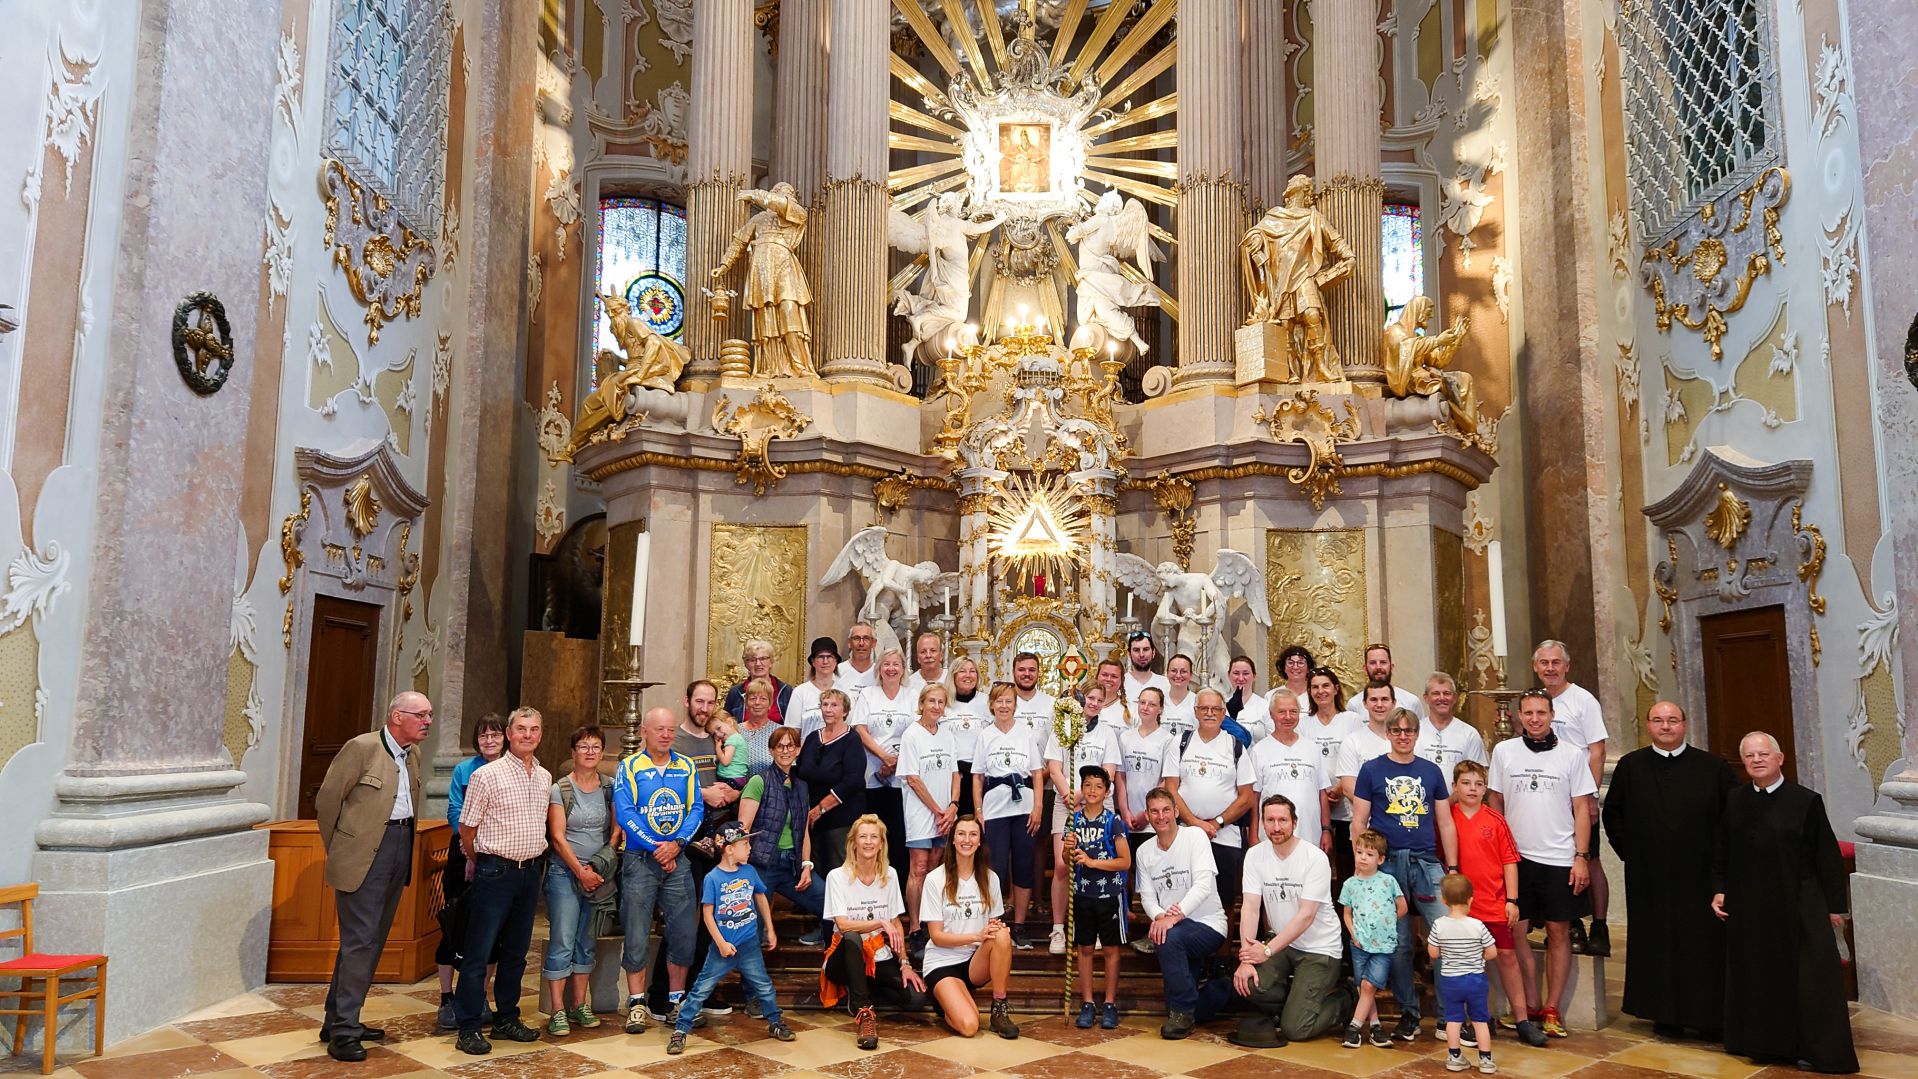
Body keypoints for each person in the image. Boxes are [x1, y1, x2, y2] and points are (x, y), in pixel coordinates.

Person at [1713, 732, 1857, 1073]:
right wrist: (1719, 889)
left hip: (1799, 903)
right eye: (1750, 756)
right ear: (1743, 762)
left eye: (1763, 754)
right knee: (1759, 975)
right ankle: (1764, 1045)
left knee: (1809, 979)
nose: (1757, 760)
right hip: (1751, 906)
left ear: (1780, 759)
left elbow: (1826, 856)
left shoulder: (1805, 801)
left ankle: (1814, 1050)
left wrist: (1834, 907)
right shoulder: (1734, 800)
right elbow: (1722, 850)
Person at [1602, 701, 1737, 1038]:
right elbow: (1613, 814)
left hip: (1700, 877)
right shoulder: (1631, 766)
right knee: (1656, 941)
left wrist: (1720, 866)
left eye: (1673, 720)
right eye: (1659, 720)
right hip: (1649, 876)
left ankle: (1707, 1016)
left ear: (1684, 725)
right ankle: (1662, 1013)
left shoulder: (1713, 768)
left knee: (1702, 944)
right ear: (1648, 725)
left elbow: (1732, 818)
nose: (1666, 726)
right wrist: (1633, 854)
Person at [315, 692, 432, 1062]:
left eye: (429, 715)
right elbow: (327, 802)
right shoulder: (362, 747)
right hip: (363, 854)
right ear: (397, 716)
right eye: (421, 715)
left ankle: (337, 1018)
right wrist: (342, 849)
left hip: (399, 847)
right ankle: (344, 1031)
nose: (428, 721)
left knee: (371, 940)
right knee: (360, 941)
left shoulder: (413, 754)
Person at [1487, 690, 1595, 1039]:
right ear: (1519, 715)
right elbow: (1495, 802)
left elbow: (1581, 808)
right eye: (1529, 713)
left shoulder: (1571, 754)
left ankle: (1552, 1007)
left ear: (1552, 715)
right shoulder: (1504, 752)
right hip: (1516, 858)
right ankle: (1530, 1002)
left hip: (1559, 857)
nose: (1535, 719)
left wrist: (1581, 856)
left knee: (1557, 932)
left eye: (1541, 713)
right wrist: (1497, 851)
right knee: (1516, 931)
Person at [1350, 705, 1458, 1041]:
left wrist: (1453, 867)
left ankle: (1448, 1017)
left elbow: (1445, 821)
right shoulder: (1371, 770)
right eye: (1396, 730)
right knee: (1396, 944)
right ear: (1388, 733)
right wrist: (1361, 866)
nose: (1402, 736)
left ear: (1417, 734)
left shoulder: (1431, 771)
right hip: (1387, 865)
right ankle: (1409, 1015)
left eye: (1408, 730)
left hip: (1426, 862)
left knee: (1446, 935)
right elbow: (1359, 821)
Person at [1215, 795, 1351, 1047]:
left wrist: (1267, 950)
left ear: (1294, 822)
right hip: (1282, 943)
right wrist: (1246, 958)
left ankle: (1347, 999)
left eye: (1282, 820)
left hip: (1319, 949)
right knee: (1246, 983)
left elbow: (1306, 915)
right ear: (1262, 823)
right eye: (1270, 820)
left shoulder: (1314, 858)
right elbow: (1250, 907)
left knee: (1295, 1029)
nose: (1276, 827)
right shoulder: (1255, 855)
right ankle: (1297, 1004)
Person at [452, 706, 550, 1056]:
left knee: (516, 952)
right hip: (495, 870)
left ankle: (507, 1017)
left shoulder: (544, 776)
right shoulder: (487, 775)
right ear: (509, 734)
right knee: (479, 952)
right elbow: (467, 828)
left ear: (540, 734)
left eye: (534, 729)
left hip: (530, 872)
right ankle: (468, 1026)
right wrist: (481, 860)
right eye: (521, 729)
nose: (527, 735)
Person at [665, 822, 797, 1054]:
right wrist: (721, 943)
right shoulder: (713, 878)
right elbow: (707, 914)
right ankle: (680, 1030)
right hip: (722, 948)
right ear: (729, 849)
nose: (750, 848)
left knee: (764, 986)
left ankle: (775, 1022)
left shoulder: (750, 872)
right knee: (701, 990)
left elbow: (761, 897)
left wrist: (770, 928)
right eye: (745, 843)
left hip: (749, 945)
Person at [612, 707, 705, 1035]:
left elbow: (696, 809)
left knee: (684, 932)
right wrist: (657, 847)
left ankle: (676, 1001)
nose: (666, 735)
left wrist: (677, 844)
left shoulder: (686, 766)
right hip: (640, 860)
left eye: (670, 729)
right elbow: (626, 814)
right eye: (659, 729)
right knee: (637, 931)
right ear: (645, 732)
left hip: (677, 859)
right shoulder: (629, 767)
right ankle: (637, 1003)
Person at [1451, 760, 1548, 1047]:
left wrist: (1512, 900)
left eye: (1478, 784)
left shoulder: (1495, 820)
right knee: (1471, 964)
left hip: (1494, 902)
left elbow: (1509, 861)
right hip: (1463, 908)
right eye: (1466, 783)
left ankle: (1522, 1020)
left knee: (1507, 957)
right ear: (1455, 786)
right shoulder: (1447, 819)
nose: (1472, 789)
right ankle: (1481, 1019)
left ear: (1485, 789)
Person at [822, 814, 931, 1051]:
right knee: (852, 937)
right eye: (863, 837)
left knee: (916, 998)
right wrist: (879, 922)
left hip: (877, 955)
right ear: (853, 842)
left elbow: (895, 923)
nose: (869, 842)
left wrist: (904, 963)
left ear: (881, 843)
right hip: (843, 957)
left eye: (874, 837)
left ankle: (862, 986)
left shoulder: (890, 875)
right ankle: (864, 1011)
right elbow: (843, 925)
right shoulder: (837, 877)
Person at [1532, 640, 1610, 956]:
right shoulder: (1535, 701)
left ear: (1567, 666)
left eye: (1556, 662)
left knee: (1590, 860)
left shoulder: (1583, 700)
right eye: (1544, 663)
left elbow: (1598, 751)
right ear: (1536, 667)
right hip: (1549, 799)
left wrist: (1590, 796)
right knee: (1560, 863)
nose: (1550, 668)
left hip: (1579, 797)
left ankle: (1600, 927)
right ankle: (1572, 923)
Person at [1136, 788, 1228, 1039]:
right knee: (1176, 1004)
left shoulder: (1195, 836)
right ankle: (1225, 991)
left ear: (1176, 812)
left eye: (1166, 810)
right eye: (1154, 811)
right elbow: (1147, 898)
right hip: (1174, 928)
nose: (1161, 816)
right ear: (1147, 815)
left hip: (1208, 924)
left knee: (1167, 939)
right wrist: (1160, 918)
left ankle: (1184, 1013)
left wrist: (1173, 919)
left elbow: (1203, 885)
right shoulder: (1144, 851)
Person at [919, 816, 1020, 1038]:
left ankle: (999, 1008)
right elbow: (936, 936)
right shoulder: (935, 879)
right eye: (961, 834)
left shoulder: (990, 878)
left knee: (1002, 934)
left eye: (973, 834)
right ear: (953, 840)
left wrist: (990, 931)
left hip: (974, 962)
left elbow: (993, 925)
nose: (967, 840)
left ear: (980, 841)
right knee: (969, 1026)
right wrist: (976, 936)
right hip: (942, 962)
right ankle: (944, 1002)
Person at [436, 713, 505, 1031]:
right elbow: (455, 810)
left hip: (496, 855)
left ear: (505, 738)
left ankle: (479, 995)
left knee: (492, 932)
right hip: (463, 851)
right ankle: (447, 997)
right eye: (483, 735)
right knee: (454, 924)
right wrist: (468, 847)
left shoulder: (512, 769)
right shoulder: (465, 770)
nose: (489, 740)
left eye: (495, 734)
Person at [543, 726, 613, 1037]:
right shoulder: (560, 788)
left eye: (595, 747)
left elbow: (615, 830)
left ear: (602, 752)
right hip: (565, 873)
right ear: (573, 753)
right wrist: (580, 871)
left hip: (598, 874)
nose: (589, 752)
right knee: (563, 938)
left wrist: (600, 865)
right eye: (583, 746)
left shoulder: (609, 787)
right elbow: (557, 836)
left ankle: (579, 1004)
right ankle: (557, 1009)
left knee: (587, 939)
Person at [1045, 682, 1124, 954]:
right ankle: (1059, 928)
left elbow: (1108, 772)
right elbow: (1054, 768)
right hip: (1065, 802)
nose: (1094, 703)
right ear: (1080, 700)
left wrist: (1083, 794)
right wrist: (1069, 796)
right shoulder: (1062, 728)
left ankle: (1092, 926)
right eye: (1090, 698)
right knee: (1062, 865)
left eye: (1099, 700)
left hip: (1098, 802)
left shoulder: (1107, 733)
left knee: (1096, 863)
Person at [739, 725, 830, 947]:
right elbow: (743, 829)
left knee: (830, 902)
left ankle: (824, 940)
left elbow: (803, 831)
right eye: (779, 746)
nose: (785, 751)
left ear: (798, 750)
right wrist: (743, 868)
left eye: (790, 746)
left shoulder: (801, 787)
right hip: (762, 865)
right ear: (771, 750)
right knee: (752, 929)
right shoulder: (759, 781)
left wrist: (806, 865)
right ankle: (752, 968)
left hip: (792, 865)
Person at [972, 682, 1045, 948]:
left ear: (1015, 705)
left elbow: (1037, 773)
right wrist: (978, 811)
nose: (1004, 706)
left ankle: (1020, 926)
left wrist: (1038, 807)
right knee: (996, 868)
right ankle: (996, 924)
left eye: (1009, 701)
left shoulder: (1026, 733)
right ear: (991, 705)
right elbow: (978, 777)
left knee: (1024, 866)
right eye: (999, 701)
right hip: (995, 809)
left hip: (1024, 808)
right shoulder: (985, 735)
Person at [1164, 689, 1255, 902]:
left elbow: (1246, 797)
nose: (1209, 713)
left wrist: (1216, 823)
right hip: (1185, 832)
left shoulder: (1235, 745)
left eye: (1215, 709)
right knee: (1183, 896)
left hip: (1225, 835)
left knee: (1224, 899)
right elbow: (1171, 788)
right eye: (1204, 708)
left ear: (1224, 713)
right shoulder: (1180, 742)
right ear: (1195, 712)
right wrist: (1195, 823)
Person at [1064, 767, 1131, 1028]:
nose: (1092, 790)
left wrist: (1093, 863)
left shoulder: (1113, 821)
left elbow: (1124, 861)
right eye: (1088, 785)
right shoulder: (1073, 820)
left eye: (1098, 786)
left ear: (1107, 791)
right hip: (1082, 893)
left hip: (1109, 894)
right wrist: (1068, 849)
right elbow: (1065, 861)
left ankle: (1110, 1003)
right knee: (1085, 949)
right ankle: (1088, 1003)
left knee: (1111, 949)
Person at [898, 683, 962, 934]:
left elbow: (956, 774)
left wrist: (953, 806)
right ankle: (915, 927)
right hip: (921, 813)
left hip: (945, 814)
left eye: (940, 702)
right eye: (931, 701)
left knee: (936, 869)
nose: (936, 706)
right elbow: (913, 779)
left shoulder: (947, 735)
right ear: (922, 704)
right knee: (919, 868)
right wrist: (938, 811)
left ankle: (932, 923)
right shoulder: (911, 735)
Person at [853, 648, 916, 882]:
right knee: (872, 833)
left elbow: (916, 731)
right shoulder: (868, 694)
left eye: (896, 664)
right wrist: (883, 757)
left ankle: (897, 888)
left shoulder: (911, 695)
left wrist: (894, 763)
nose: (891, 669)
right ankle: (871, 882)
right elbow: (860, 729)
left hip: (903, 775)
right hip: (872, 773)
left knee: (898, 834)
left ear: (903, 669)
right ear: (879, 668)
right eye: (886, 664)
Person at [1338, 829, 1404, 1049]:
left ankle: (1354, 1027)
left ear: (1380, 859)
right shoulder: (1350, 884)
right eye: (1359, 852)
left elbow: (1402, 907)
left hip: (1383, 945)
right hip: (1359, 944)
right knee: (1364, 986)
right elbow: (1347, 913)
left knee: (1369, 984)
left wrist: (1386, 923)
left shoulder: (1388, 881)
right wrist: (1354, 933)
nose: (1363, 858)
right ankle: (1376, 1027)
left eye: (1369, 854)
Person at [1427, 874, 1499, 1074]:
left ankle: (1454, 1057)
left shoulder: (1439, 925)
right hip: (1476, 980)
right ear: (1470, 899)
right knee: (1480, 1020)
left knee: (1453, 1019)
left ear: (1443, 900)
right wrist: (1479, 957)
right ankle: (1486, 1060)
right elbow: (1492, 952)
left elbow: (1433, 953)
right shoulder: (1477, 925)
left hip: (1450, 980)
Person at [1250, 689, 1335, 854]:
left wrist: (1326, 830)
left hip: (1310, 833)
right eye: (1282, 712)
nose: (1288, 717)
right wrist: (1253, 834)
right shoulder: (1259, 750)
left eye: (1293, 712)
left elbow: (1322, 793)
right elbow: (1254, 797)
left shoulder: (1312, 748)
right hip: (1272, 835)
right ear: (1271, 714)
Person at [797, 688, 866, 876]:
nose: (828, 709)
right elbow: (800, 771)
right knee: (815, 870)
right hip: (811, 820)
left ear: (845, 711)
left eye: (834, 705)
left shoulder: (852, 739)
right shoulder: (813, 737)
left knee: (839, 871)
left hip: (840, 820)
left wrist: (820, 809)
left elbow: (852, 781)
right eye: (825, 704)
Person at [1304, 668, 1358, 879]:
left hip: (1346, 805)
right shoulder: (1304, 724)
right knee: (1318, 864)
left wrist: (1339, 788)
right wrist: (1323, 792)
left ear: (1336, 689)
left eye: (1325, 685)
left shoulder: (1351, 720)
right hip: (1317, 802)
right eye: (1315, 687)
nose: (1320, 691)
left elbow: (1358, 759)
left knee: (1346, 864)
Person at [1416, 673, 1488, 775]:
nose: (1442, 698)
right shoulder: (1413, 731)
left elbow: (1478, 775)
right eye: (1436, 693)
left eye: (1447, 693)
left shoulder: (1469, 734)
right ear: (1426, 698)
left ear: (1455, 698)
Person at [944, 657, 989, 818]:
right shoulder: (944, 702)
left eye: (972, 671)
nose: (968, 675)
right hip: (951, 774)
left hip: (980, 774)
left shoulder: (987, 702)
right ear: (953, 675)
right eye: (962, 671)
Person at [1342, 644, 1426, 721]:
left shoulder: (1411, 702)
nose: (1378, 667)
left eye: (1383, 662)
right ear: (1365, 669)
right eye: (1373, 663)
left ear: (1391, 667)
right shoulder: (1354, 704)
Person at [787, 636, 842, 743]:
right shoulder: (800, 692)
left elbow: (850, 728)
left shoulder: (845, 692)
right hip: (807, 750)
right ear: (813, 661)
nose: (825, 661)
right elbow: (792, 731)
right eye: (820, 657)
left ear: (836, 661)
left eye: (829, 657)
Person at [724, 639, 793, 722]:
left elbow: (792, 723)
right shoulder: (735, 692)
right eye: (752, 660)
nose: (758, 664)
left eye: (763, 659)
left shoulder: (785, 691)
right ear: (746, 664)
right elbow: (726, 722)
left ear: (771, 662)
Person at [733, 676, 783, 774]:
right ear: (746, 703)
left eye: (763, 699)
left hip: (771, 783)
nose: (757, 703)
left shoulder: (780, 732)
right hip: (738, 783)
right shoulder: (735, 730)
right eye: (753, 698)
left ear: (770, 704)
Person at [1008, 651, 1056, 747]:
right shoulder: (1003, 704)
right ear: (1013, 672)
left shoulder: (1052, 703)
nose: (1027, 674)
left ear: (1038, 672)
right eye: (1021, 670)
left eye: (1032, 670)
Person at [1223, 656, 1267, 745]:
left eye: (1246, 673)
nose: (1241, 678)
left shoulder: (1265, 707)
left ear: (1254, 676)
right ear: (1228, 675)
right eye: (1236, 673)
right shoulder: (1220, 706)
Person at [1123, 630, 1172, 708]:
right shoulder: (1121, 682)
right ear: (1129, 654)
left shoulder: (1166, 684)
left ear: (1153, 653)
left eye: (1146, 649)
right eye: (1136, 650)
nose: (1141, 654)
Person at [1160, 653, 1198, 739]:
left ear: (1191, 675)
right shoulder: (1158, 701)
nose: (1178, 675)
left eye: (1183, 671)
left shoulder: (1198, 702)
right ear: (1167, 673)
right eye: (1173, 671)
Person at [709, 711, 751, 789]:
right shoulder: (738, 738)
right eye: (714, 734)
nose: (718, 734)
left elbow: (725, 761)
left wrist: (718, 748)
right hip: (738, 779)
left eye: (719, 728)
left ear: (730, 722)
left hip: (730, 779)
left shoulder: (732, 740)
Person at [835, 623, 879, 692]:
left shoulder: (880, 673)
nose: (861, 643)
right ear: (849, 643)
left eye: (866, 638)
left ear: (874, 643)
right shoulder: (837, 671)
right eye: (856, 638)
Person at [905, 632, 948, 698]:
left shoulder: (951, 679)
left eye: (933, 651)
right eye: (923, 652)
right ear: (918, 658)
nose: (928, 655)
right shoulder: (909, 684)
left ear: (941, 655)